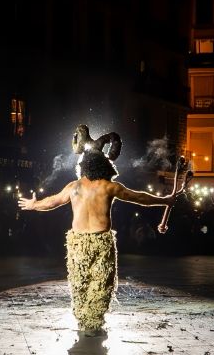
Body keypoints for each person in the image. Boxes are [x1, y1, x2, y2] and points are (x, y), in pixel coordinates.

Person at [18, 126, 187, 336]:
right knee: (100, 283)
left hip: (78, 242)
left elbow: (52, 202)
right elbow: (140, 197)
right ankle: (92, 323)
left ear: (84, 166)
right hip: (100, 241)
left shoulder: (74, 186)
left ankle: (85, 320)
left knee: (80, 282)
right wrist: (164, 200)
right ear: (105, 165)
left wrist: (34, 205)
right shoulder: (109, 187)